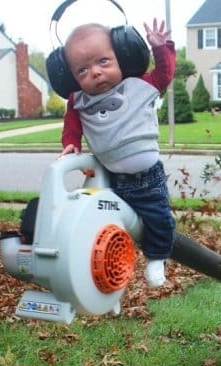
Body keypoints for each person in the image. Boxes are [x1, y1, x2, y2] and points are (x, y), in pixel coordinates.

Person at [59, 19, 176, 288]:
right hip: (111, 179)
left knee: (159, 219)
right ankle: (108, 268)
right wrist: (71, 143)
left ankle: (157, 258)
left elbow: (165, 74)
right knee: (106, 223)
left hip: (147, 178)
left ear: (122, 56)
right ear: (69, 77)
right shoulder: (79, 101)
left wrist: (160, 48)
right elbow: (71, 126)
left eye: (103, 61)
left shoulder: (139, 85)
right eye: (83, 70)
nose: (96, 73)